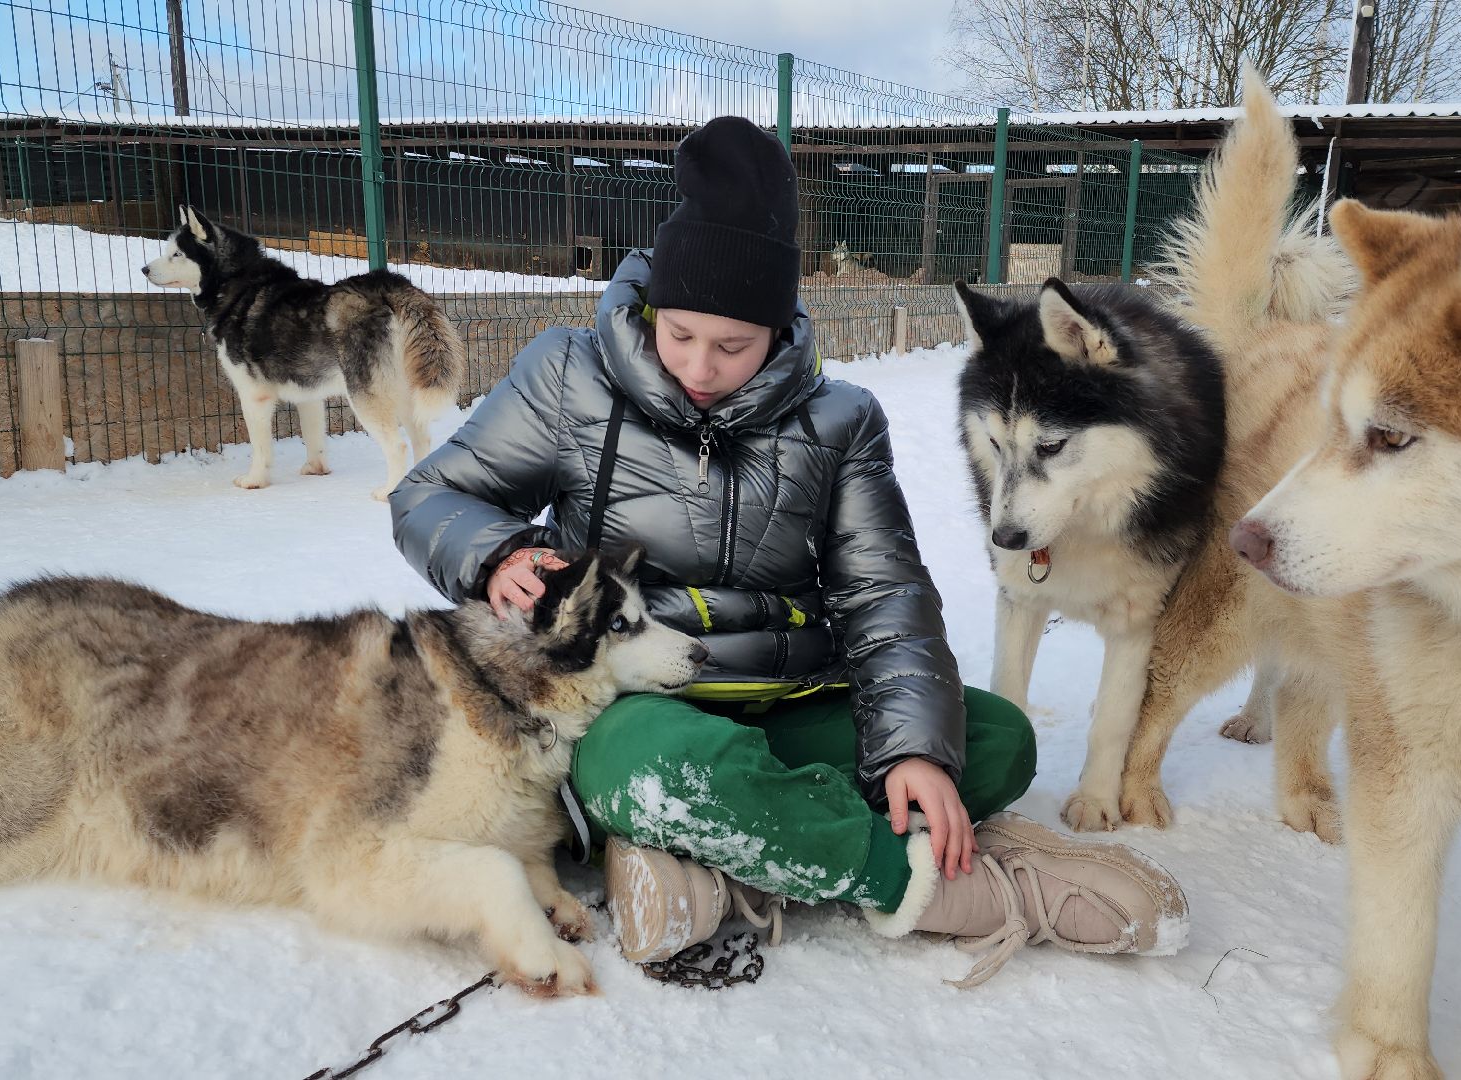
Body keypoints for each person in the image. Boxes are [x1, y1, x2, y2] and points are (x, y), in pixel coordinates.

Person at [388, 116, 1185, 986]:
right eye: (679, 334)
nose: (699, 365)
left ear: (777, 329)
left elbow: (886, 598)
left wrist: (915, 750)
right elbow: (430, 496)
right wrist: (496, 551)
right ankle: (924, 883)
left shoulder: (838, 421)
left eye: (733, 346)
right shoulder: (568, 376)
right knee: (665, 764)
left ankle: (707, 861)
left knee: (995, 742)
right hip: (627, 706)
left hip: (792, 696)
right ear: (651, 306)